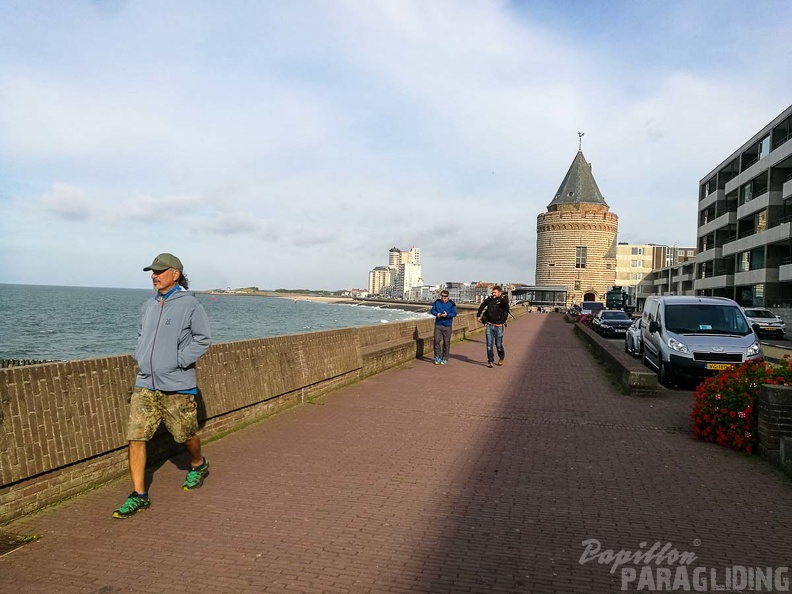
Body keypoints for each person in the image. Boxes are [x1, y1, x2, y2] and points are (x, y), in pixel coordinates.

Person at [113, 253, 212, 519]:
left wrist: (177, 361)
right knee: (136, 437)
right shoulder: (148, 305)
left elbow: (203, 340)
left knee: (184, 436)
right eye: (152, 272)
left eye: (159, 271)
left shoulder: (191, 305)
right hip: (145, 383)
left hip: (176, 385)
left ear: (175, 274)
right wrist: (141, 357)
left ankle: (198, 464)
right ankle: (139, 495)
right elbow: (140, 335)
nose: (154, 276)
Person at [477, 285, 510, 368]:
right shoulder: (490, 299)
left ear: (499, 293)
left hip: (498, 326)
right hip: (489, 325)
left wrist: (506, 297)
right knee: (489, 345)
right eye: (492, 292)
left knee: (498, 344)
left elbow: (505, 304)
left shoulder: (502, 301)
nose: (493, 294)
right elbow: (482, 305)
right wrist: (478, 315)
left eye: (495, 293)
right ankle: (490, 361)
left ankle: (501, 357)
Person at [430, 290, 457, 365]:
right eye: (442, 296)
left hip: (447, 325)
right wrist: (437, 314)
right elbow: (432, 310)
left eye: (445, 296)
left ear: (448, 297)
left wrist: (447, 315)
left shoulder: (451, 303)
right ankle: (438, 356)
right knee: (436, 341)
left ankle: (445, 357)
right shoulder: (437, 302)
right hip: (438, 324)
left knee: (446, 342)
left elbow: (454, 313)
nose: (443, 298)